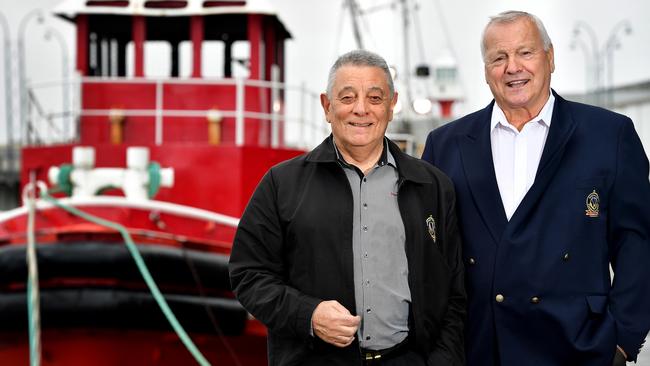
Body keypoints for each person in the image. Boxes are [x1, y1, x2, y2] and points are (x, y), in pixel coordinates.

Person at [422, 10, 650, 366]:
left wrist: (623, 341)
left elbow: (637, 245)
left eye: (525, 52)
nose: (513, 67)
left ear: (550, 57)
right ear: (486, 71)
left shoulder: (610, 135)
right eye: (498, 58)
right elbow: (433, 259)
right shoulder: (445, 144)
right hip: (478, 349)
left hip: (577, 348)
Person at [229, 49, 466, 365]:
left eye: (375, 98)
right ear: (327, 106)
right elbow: (248, 273)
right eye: (347, 98)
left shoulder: (434, 186)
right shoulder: (280, 184)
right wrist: (308, 315)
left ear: (392, 106)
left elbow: (454, 293)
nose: (361, 110)